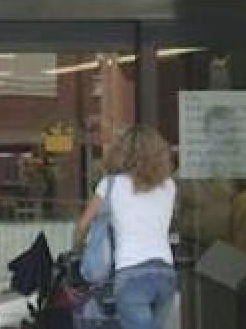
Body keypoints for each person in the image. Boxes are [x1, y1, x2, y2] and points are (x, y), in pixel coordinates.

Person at [75, 125, 177, 329]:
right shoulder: (169, 185)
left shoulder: (110, 185)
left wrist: (79, 247)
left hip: (130, 274)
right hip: (165, 272)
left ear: (122, 153)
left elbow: (83, 224)